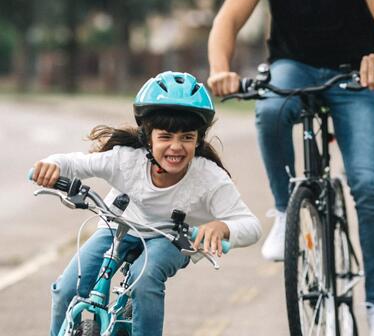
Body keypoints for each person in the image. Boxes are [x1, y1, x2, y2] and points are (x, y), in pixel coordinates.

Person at [207, 0, 374, 335]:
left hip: (355, 73)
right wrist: (220, 69)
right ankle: (285, 212)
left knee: (368, 185)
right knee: (270, 110)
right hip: (293, 67)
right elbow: (227, 19)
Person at [32, 71, 262, 336]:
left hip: (171, 238)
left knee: (146, 278)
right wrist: (52, 165)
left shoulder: (209, 177)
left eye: (187, 137)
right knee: (67, 289)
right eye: (165, 136)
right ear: (147, 137)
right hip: (118, 227)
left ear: (198, 140)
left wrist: (222, 227)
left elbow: (252, 226)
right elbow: (75, 163)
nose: (176, 147)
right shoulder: (126, 159)